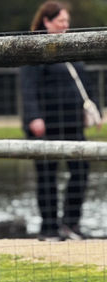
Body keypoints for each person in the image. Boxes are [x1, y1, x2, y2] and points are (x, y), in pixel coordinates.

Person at [20, 1, 101, 241]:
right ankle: (49, 227)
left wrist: (97, 110)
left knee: (81, 170)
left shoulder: (71, 48)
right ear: (46, 21)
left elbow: (85, 83)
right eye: (60, 21)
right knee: (47, 175)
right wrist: (34, 116)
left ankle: (70, 223)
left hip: (72, 122)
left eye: (66, 21)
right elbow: (27, 86)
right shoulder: (34, 47)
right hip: (46, 123)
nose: (65, 25)